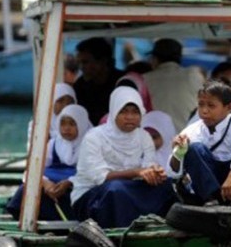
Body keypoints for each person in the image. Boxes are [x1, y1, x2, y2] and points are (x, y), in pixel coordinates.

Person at [70, 87, 176, 228]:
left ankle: (158, 228)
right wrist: (137, 172)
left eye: (135, 112)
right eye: (124, 111)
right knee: (115, 189)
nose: (130, 117)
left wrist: (155, 173)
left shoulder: (143, 137)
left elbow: (148, 167)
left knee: (168, 185)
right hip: (90, 196)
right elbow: (101, 177)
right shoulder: (94, 137)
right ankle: (122, 235)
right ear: (114, 112)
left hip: (127, 189)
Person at [169, 80, 231, 205]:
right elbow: (174, 170)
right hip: (210, 188)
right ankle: (211, 199)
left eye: (211, 106)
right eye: (201, 104)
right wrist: (178, 152)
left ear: (229, 107)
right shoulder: (194, 129)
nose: (204, 111)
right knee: (194, 148)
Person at [8, 104, 92, 220]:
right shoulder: (54, 143)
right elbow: (34, 168)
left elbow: (93, 172)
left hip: (76, 184)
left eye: (72, 124)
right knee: (28, 188)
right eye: (63, 124)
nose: (66, 128)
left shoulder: (91, 144)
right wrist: (45, 183)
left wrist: (69, 182)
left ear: (81, 124)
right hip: (52, 185)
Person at [143, 38, 204, 131]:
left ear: (155, 59)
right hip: (186, 139)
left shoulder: (144, 79)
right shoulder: (193, 75)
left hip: (155, 140)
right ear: (179, 58)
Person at [73, 37, 124, 125]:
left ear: (103, 61)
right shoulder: (80, 86)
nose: (81, 68)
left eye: (85, 62)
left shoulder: (122, 82)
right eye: (79, 63)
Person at [27, 83, 76, 152]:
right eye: (60, 101)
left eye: (70, 102)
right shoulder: (38, 125)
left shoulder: (82, 124)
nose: (65, 105)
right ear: (51, 102)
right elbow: (34, 153)